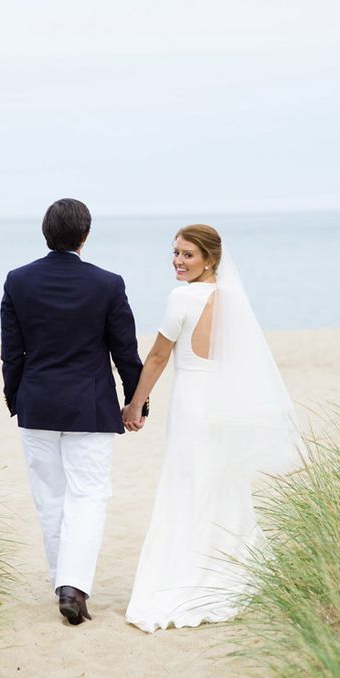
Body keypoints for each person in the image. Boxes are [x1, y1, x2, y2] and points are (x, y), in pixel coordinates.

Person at [122, 224, 301, 632]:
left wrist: (134, 404)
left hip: (193, 407)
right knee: (222, 484)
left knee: (187, 485)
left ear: (210, 259)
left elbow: (157, 357)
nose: (178, 261)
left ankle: (187, 573)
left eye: (188, 254)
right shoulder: (233, 298)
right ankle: (231, 568)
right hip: (222, 407)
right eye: (176, 252)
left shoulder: (182, 297)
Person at [0, 198, 148, 626]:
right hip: (89, 408)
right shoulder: (107, 284)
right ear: (85, 236)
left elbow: (13, 354)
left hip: (37, 405)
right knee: (89, 496)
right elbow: (126, 351)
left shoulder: (18, 281)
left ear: (46, 233)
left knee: (50, 499)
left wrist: (17, 399)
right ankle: (73, 587)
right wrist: (137, 402)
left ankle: (62, 584)